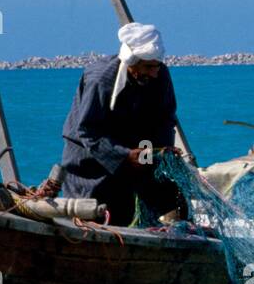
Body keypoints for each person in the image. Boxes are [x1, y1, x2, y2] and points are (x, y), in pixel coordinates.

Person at [57, 22, 185, 225]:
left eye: (157, 66)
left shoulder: (160, 76)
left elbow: (164, 120)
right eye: (148, 67)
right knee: (96, 216)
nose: (154, 73)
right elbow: (88, 130)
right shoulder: (100, 80)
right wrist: (124, 156)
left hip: (134, 155)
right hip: (89, 162)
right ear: (131, 62)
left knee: (165, 201)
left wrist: (156, 152)